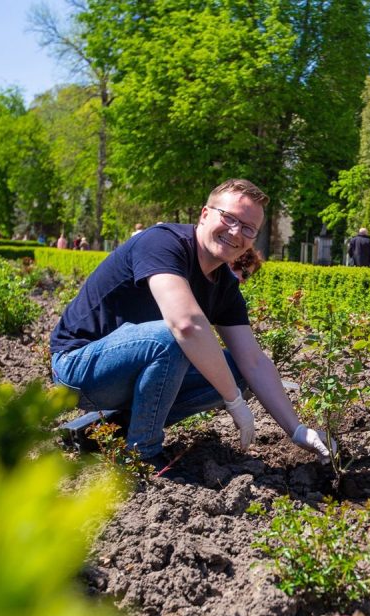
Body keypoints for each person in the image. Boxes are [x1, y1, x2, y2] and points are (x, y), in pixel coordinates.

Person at [50, 178, 331, 463]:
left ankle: (106, 432)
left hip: (129, 372)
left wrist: (296, 429)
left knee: (237, 370)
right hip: (79, 367)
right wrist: (233, 400)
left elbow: (254, 362)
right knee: (172, 339)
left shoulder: (224, 286)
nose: (236, 232)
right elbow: (185, 324)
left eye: (248, 229)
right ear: (205, 214)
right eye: (230, 218)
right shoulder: (163, 243)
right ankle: (142, 457)